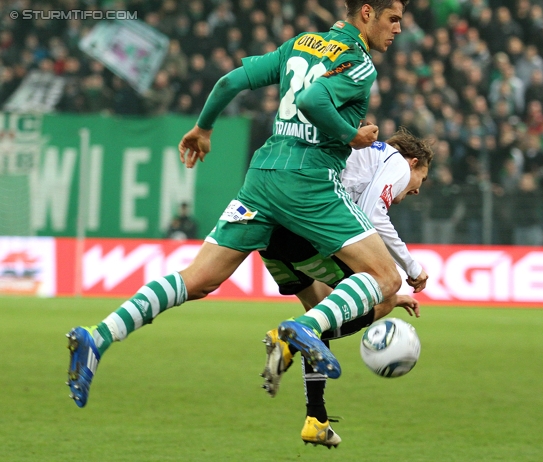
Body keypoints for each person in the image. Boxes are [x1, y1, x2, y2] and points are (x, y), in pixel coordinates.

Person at [66, 0, 421, 417]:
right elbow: (312, 100)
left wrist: (203, 126)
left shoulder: (301, 44)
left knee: (196, 279)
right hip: (308, 180)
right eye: (393, 18)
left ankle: (99, 335)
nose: (398, 28)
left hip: (262, 176)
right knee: (384, 277)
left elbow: (230, 82)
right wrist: (351, 137)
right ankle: (305, 329)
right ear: (366, 12)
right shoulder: (360, 64)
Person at [259, 128, 432, 447]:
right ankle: (288, 340)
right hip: (301, 221)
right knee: (381, 290)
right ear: (413, 161)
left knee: (321, 316)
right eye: (422, 178)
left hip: (270, 228)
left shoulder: (361, 161)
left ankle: (316, 419)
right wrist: (412, 268)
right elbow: (373, 214)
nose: (417, 190)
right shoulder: (394, 160)